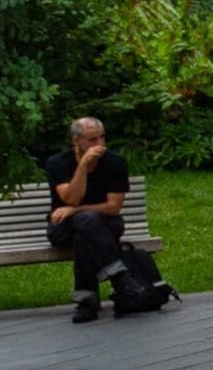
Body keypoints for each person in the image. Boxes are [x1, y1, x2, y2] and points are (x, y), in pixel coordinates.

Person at [41, 117, 166, 322]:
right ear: (76, 141)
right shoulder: (58, 163)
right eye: (92, 140)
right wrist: (82, 166)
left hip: (107, 222)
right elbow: (71, 197)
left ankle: (87, 303)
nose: (99, 144)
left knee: (86, 230)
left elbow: (113, 207)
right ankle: (120, 278)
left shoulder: (115, 162)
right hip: (64, 228)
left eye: (102, 137)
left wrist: (75, 210)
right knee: (85, 229)